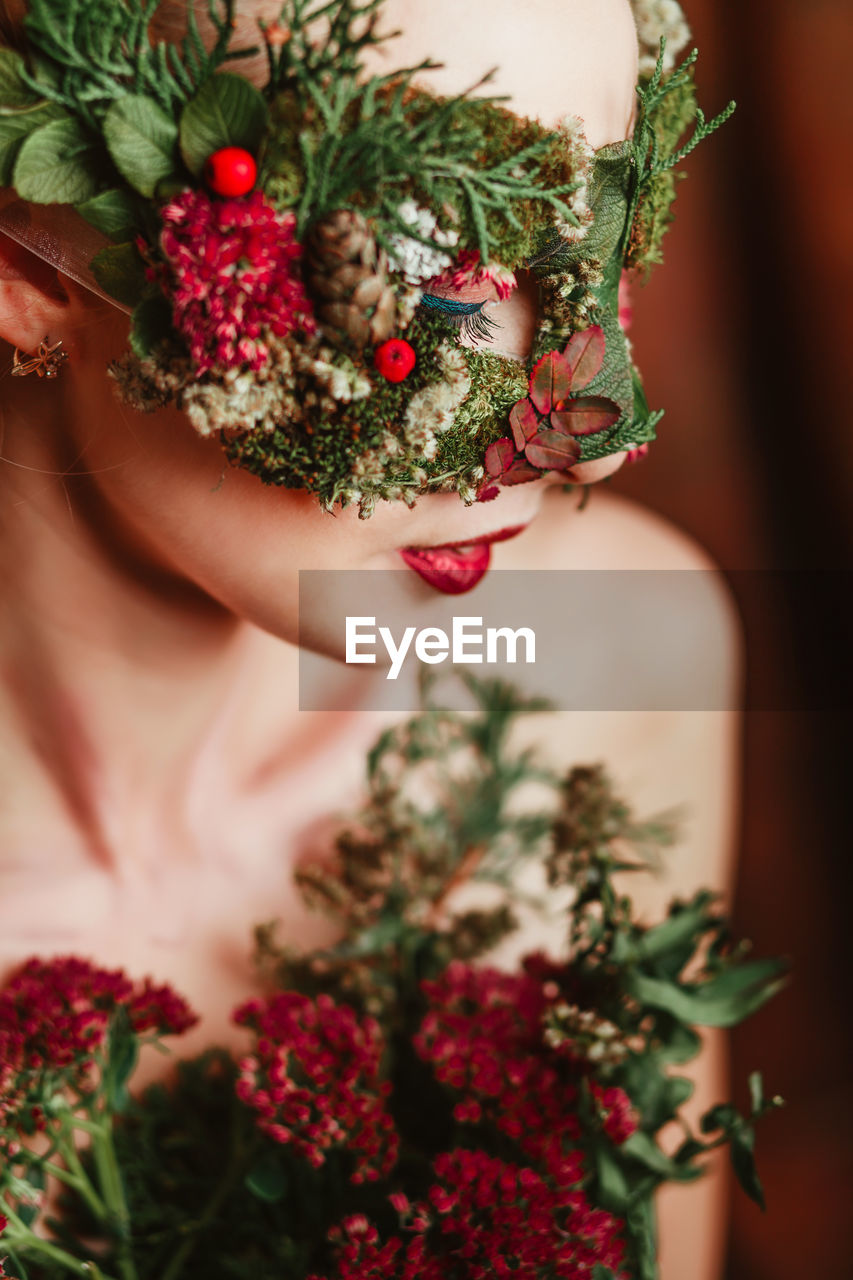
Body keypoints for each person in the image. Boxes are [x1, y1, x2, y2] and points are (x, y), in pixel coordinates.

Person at [0, 2, 738, 1276]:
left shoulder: (615, 663)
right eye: (429, 264)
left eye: (604, 242)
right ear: (26, 266)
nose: (581, 431)